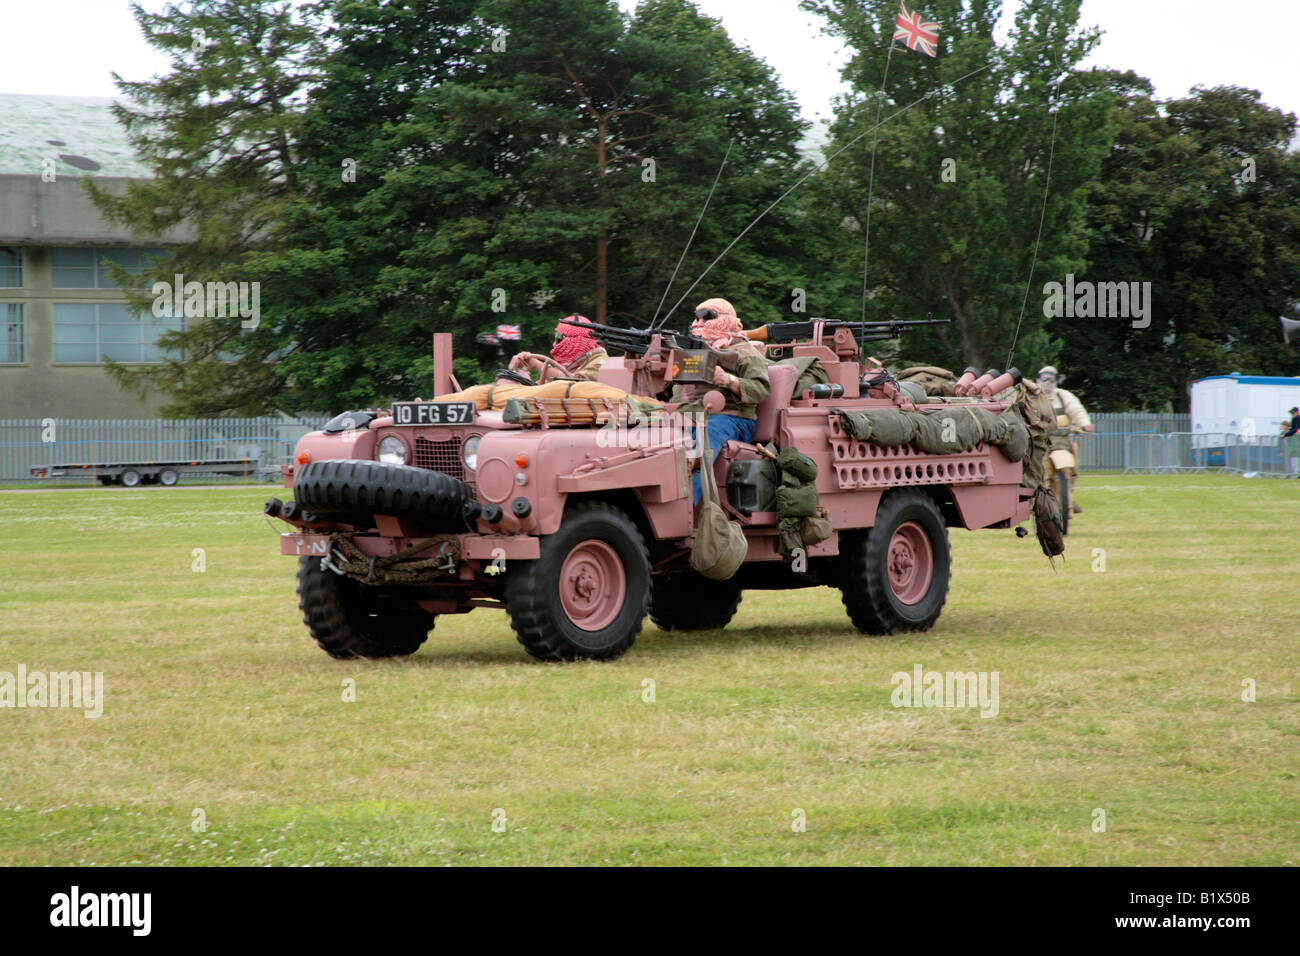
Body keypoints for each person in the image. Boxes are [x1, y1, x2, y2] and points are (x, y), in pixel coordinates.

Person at [671, 298, 771, 504]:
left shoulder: (746, 353)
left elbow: (761, 390)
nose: (699, 323)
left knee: (700, 450)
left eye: (708, 317)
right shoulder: (694, 351)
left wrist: (728, 379)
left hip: (732, 418)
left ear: (725, 320)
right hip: (691, 415)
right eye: (697, 317)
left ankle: (683, 510)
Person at [1037, 366, 1093, 513]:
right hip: (1040, 442)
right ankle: (1036, 501)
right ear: (1038, 379)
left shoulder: (1063, 396)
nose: (1048, 382)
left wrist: (1085, 424)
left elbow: (1076, 410)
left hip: (1062, 442)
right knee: (1041, 472)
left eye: (1051, 379)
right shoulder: (1033, 397)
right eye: (1044, 378)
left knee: (1071, 468)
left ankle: (1067, 497)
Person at [508, 314, 609, 383]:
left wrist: (538, 365)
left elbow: (573, 384)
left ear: (577, 341)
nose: (554, 344)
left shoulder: (600, 362)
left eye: (559, 338)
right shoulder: (574, 364)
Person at [1281, 406, 1300, 475]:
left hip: (1297, 445)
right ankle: (1295, 473)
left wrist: (1285, 435)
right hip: (1294, 447)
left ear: (1297, 412)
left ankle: (1297, 473)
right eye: (1291, 413)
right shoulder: (1294, 419)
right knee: (1294, 460)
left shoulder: (1298, 419)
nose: (1292, 414)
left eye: (1293, 413)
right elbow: (1293, 430)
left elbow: (1295, 430)